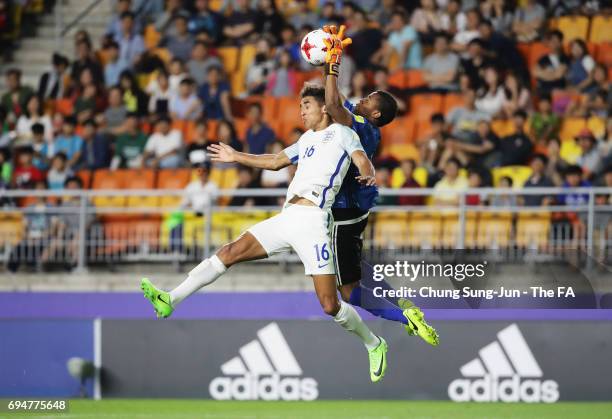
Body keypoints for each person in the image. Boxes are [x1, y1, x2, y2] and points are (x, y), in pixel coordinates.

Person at [141, 85, 390, 383]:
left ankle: (374, 343)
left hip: (314, 222)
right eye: (300, 105)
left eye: (307, 105)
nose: (301, 110)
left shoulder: (344, 134)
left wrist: (368, 171)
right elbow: (273, 162)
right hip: (287, 218)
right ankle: (171, 299)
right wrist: (235, 155)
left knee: (329, 304)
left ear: (323, 108)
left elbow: (361, 158)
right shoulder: (305, 140)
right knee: (229, 252)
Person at [322, 25, 438, 345]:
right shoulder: (367, 127)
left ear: (375, 112)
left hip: (343, 213)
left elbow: (333, 107)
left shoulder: (362, 126)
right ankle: (404, 304)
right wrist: (330, 61)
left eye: (369, 97)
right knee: (357, 266)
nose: (363, 97)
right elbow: (337, 99)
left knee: (349, 293)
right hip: (357, 211)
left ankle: (405, 319)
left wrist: (332, 66)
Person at [534, 30, 569, 96]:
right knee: (544, 105)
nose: (553, 43)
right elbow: (535, 72)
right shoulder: (543, 58)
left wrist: (544, 73)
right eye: (551, 41)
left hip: (558, 89)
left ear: (560, 43)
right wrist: (553, 73)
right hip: (543, 89)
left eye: (556, 41)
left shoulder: (565, 58)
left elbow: (558, 75)